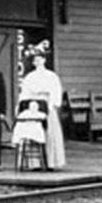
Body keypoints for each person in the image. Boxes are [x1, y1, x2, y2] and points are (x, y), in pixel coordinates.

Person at [19, 41, 66, 169]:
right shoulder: (29, 77)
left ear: (44, 60)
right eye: (35, 60)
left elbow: (56, 92)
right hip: (34, 107)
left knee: (49, 134)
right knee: (34, 133)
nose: (38, 62)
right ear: (33, 62)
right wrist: (26, 107)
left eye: (40, 59)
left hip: (47, 106)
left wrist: (52, 105)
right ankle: (35, 163)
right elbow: (25, 93)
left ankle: (51, 162)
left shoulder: (51, 76)